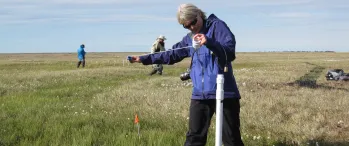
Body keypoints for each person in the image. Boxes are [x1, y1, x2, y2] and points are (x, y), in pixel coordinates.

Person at [128, 3, 243, 146]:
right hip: (200, 95)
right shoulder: (190, 38)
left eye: (193, 23)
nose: (192, 28)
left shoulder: (218, 27)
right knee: (194, 139)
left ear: (199, 14)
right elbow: (171, 54)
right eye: (186, 26)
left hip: (225, 93)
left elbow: (229, 53)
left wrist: (210, 42)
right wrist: (144, 59)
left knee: (231, 139)